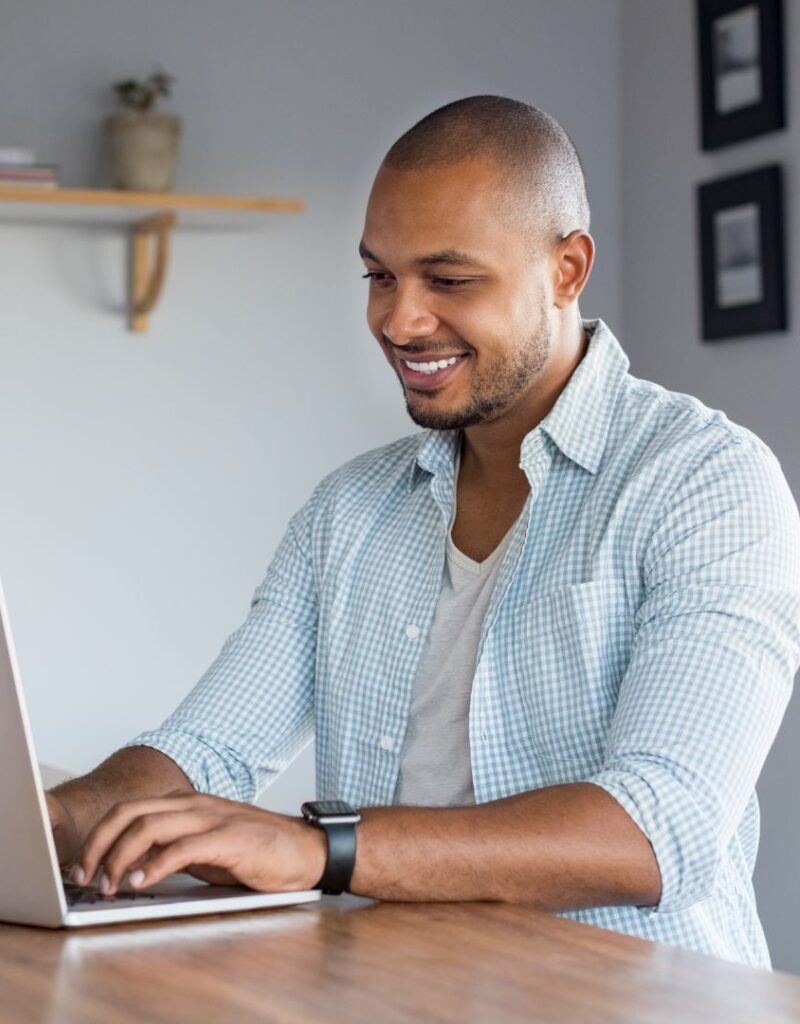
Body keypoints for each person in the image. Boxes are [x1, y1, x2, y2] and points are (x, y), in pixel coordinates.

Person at [46, 95, 800, 968]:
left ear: (567, 268)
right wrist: (54, 820)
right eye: (380, 276)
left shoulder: (703, 482)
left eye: (449, 280)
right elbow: (208, 748)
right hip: (396, 993)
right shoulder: (349, 511)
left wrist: (320, 848)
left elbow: (659, 827)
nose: (400, 322)